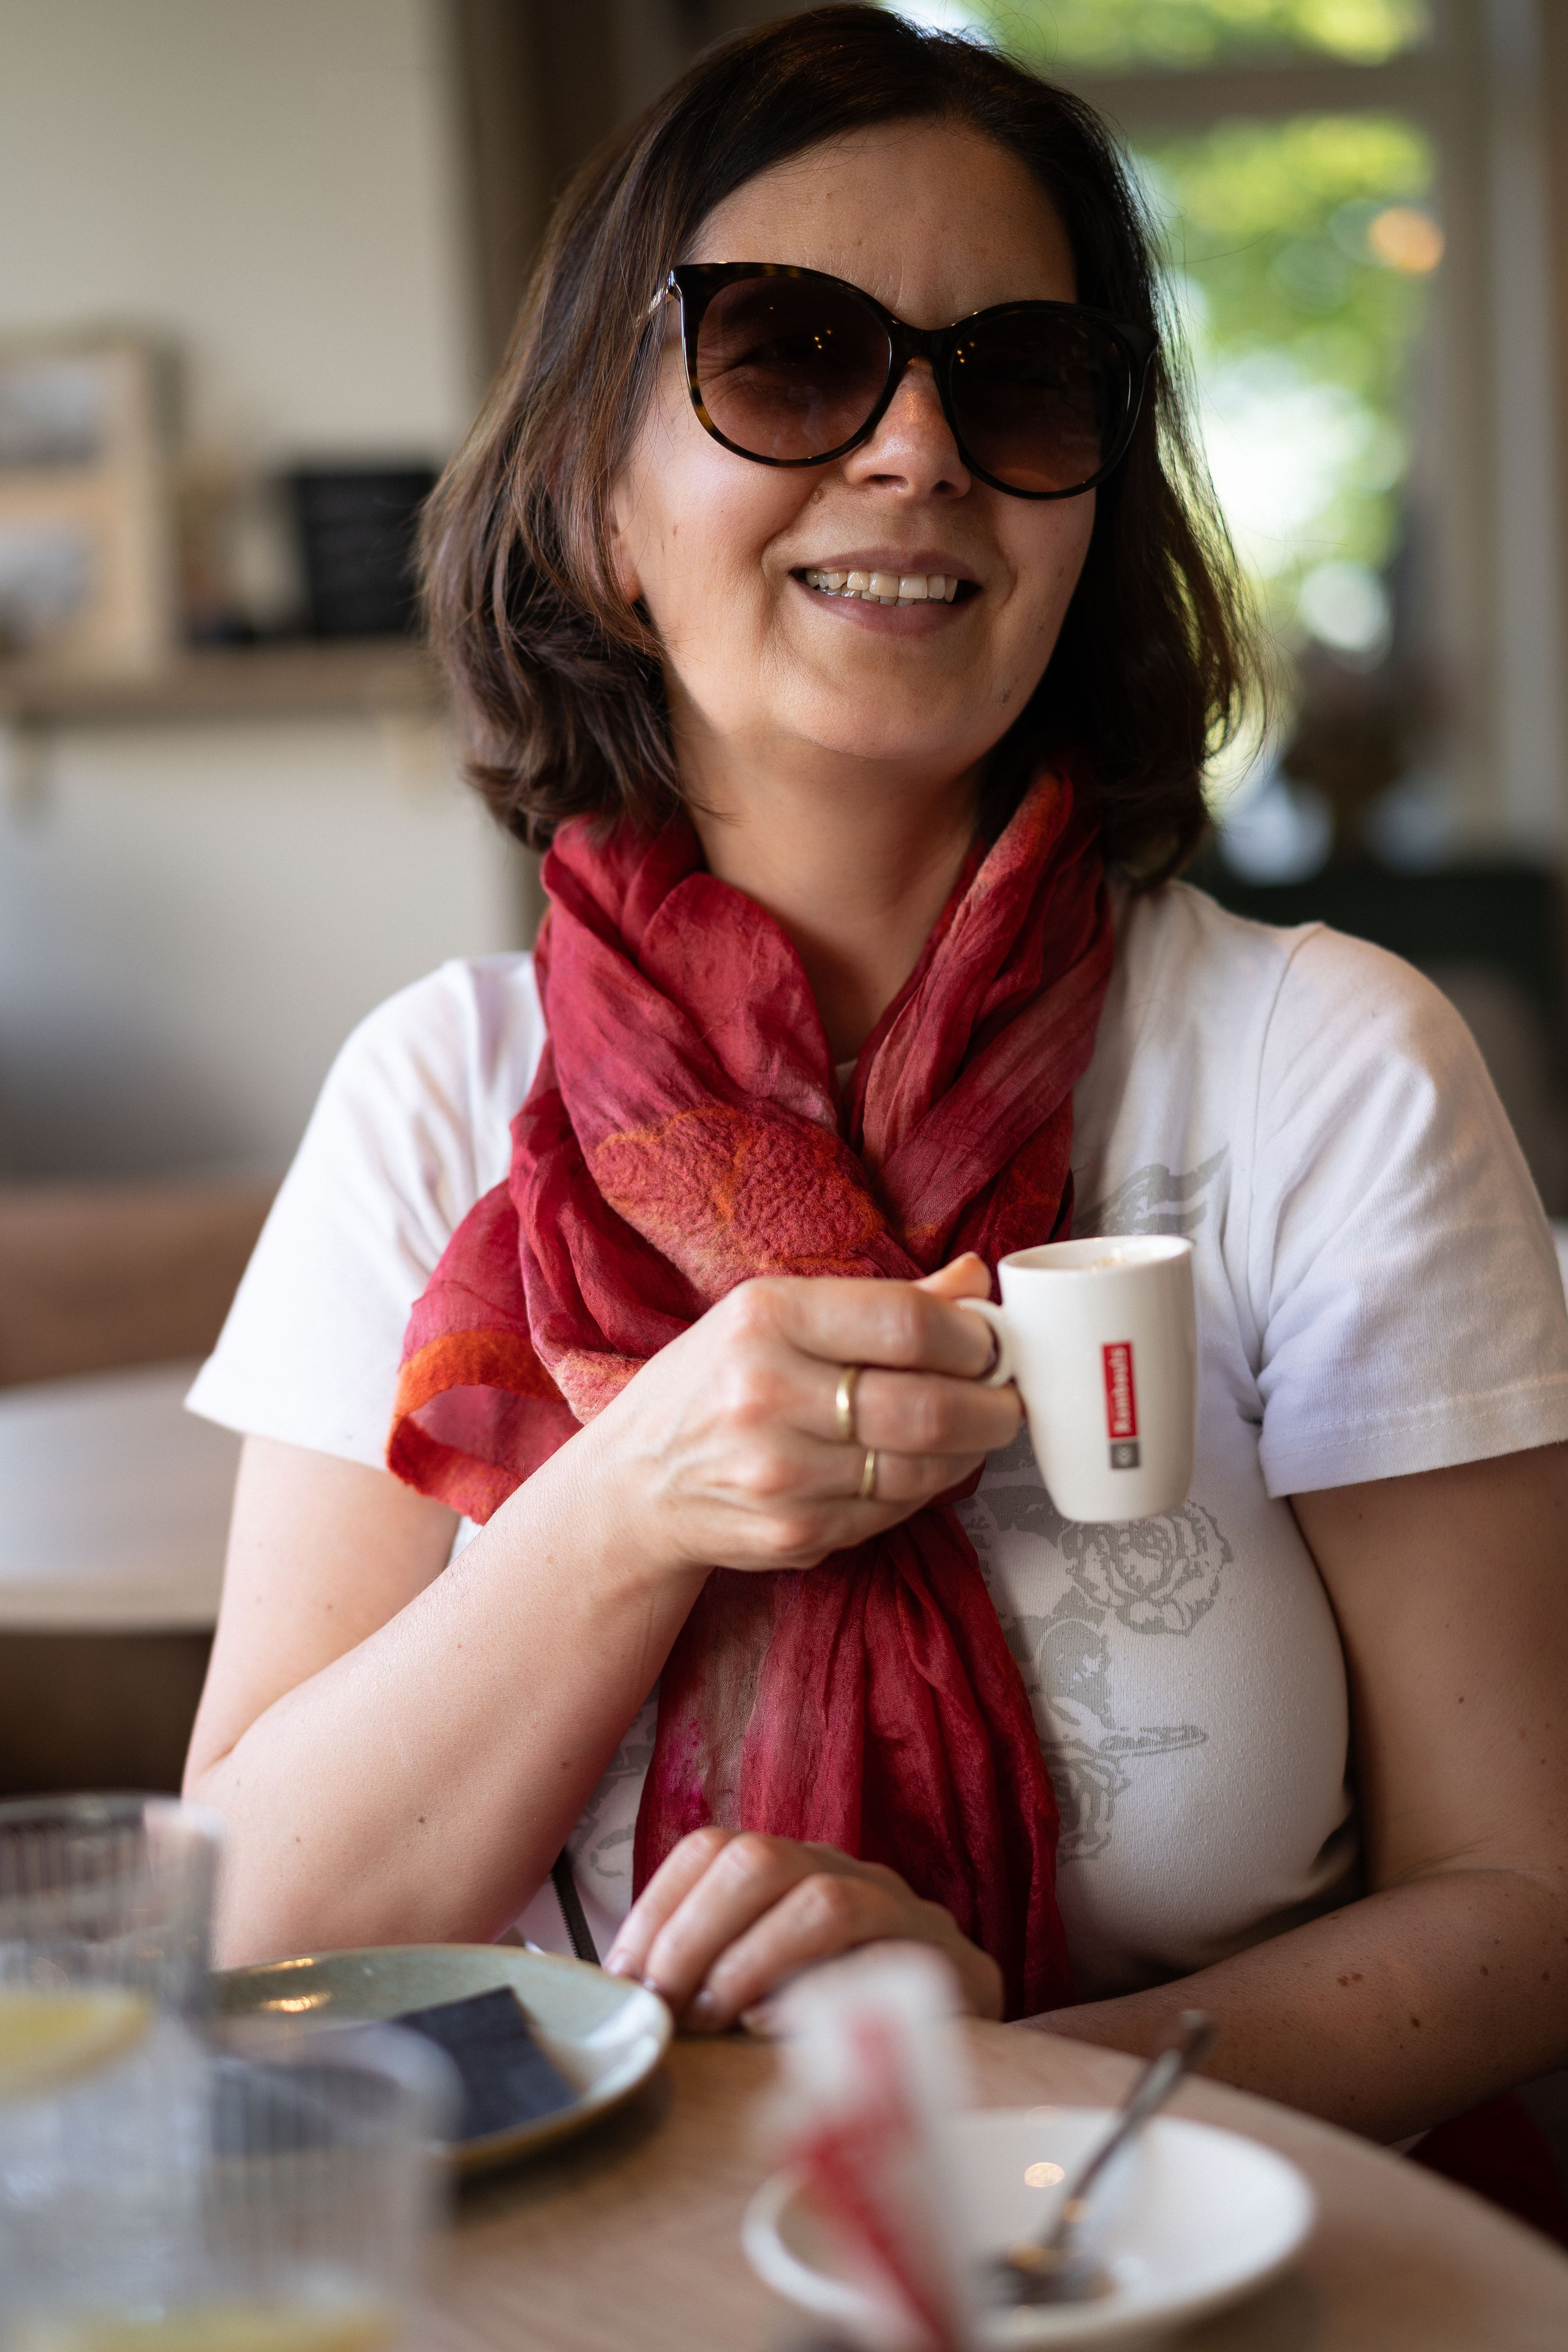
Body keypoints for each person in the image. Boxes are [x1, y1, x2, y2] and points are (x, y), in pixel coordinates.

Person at [186, 5, 1568, 2162]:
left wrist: (988, 2067)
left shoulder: (1332, 1069)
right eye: (790, 356)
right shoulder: (437, 1093)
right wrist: (629, 1501)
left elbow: (1525, 1914)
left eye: (1017, 381)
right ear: (603, 496)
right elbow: (245, 1942)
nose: (918, 450)